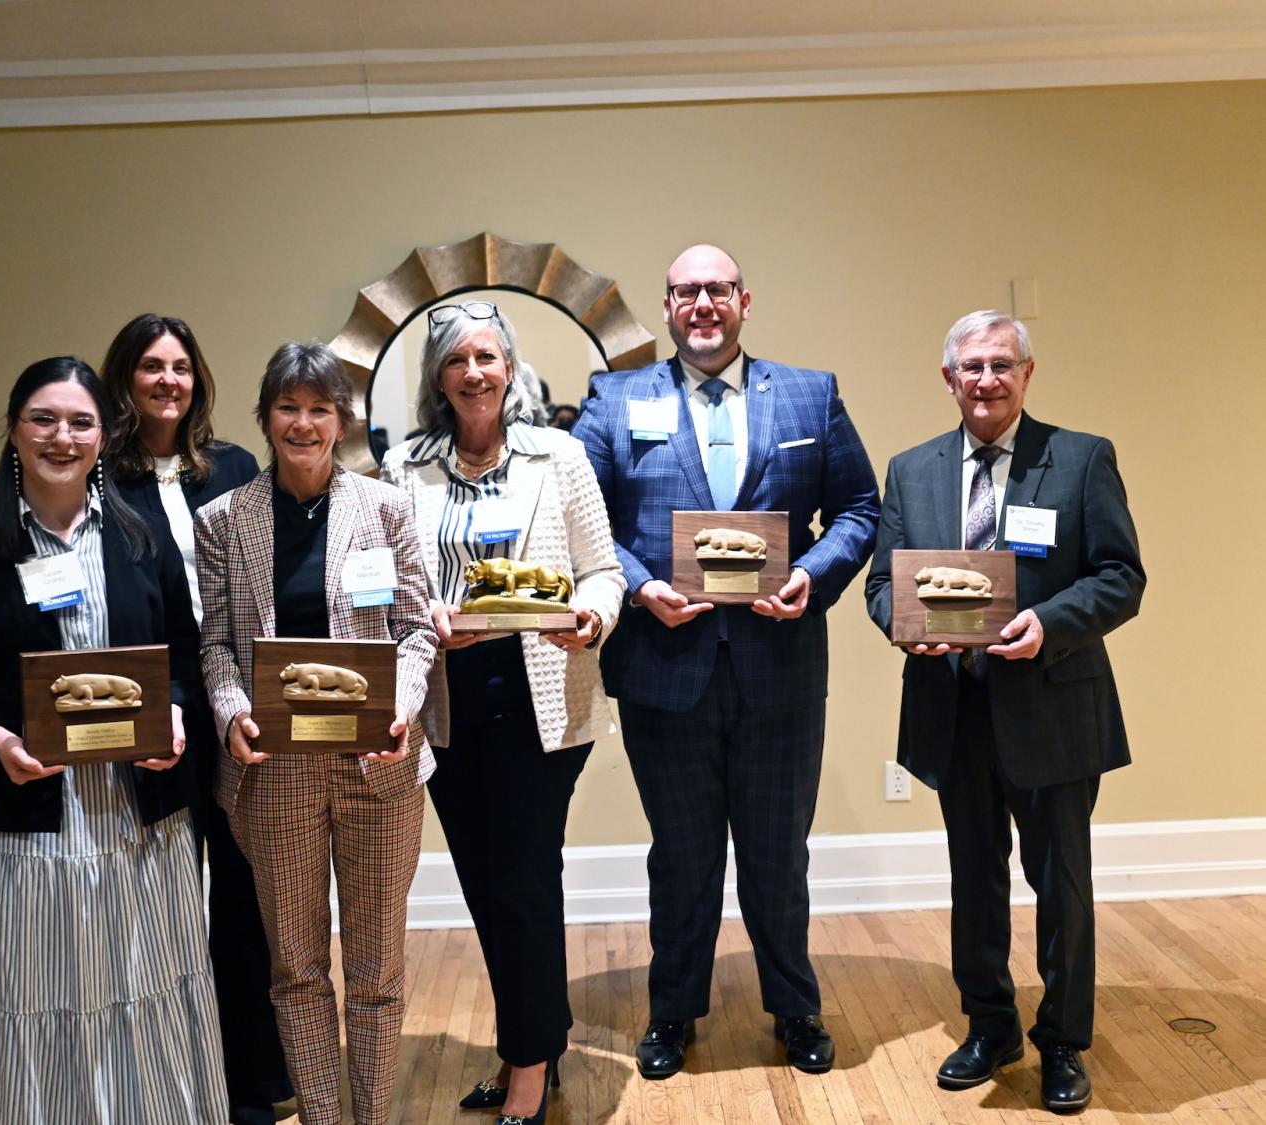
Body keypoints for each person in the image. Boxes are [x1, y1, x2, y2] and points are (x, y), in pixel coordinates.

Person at [571, 244, 880, 1079]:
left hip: (780, 669)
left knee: (780, 854)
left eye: (715, 289)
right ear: (666, 307)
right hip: (664, 670)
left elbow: (858, 507)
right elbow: (583, 520)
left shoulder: (811, 393)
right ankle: (673, 1010)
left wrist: (813, 576)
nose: (700, 303)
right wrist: (638, 590)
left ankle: (795, 1007)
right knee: (681, 855)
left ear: (745, 300)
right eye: (683, 292)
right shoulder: (614, 398)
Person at [0, 357, 228, 1123]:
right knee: (43, 994)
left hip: (139, 814)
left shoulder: (143, 539)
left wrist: (179, 713)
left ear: (103, 433)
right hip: (29, 816)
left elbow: (184, 657)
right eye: (43, 419)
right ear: (14, 432)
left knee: (149, 985)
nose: (62, 436)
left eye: (80, 421)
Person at [865, 311, 1144, 1113]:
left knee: (1062, 887)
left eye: (1001, 365)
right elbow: (884, 585)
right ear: (948, 379)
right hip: (954, 710)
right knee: (973, 882)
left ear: (1028, 373)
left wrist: (1047, 625)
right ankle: (990, 1025)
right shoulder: (911, 470)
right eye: (971, 367)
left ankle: (1062, 1041)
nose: (986, 380)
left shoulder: (1082, 458)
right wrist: (906, 629)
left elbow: (1121, 574)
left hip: (1053, 707)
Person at [380, 301, 625, 1125]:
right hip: (447, 701)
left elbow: (602, 572)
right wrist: (422, 614)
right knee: (489, 885)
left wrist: (589, 619)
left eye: (487, 356)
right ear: (438, 378)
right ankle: (534, 1042)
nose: (474, 372)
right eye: (457, 360)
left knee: (521, 878)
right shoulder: (404, 467)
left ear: (510, 368)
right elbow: (384, 581)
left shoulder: (558, 456)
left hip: (538, 695)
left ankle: (528, 1072)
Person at [195, 341, 437, 1125]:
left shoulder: (389, 507)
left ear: (342, 421)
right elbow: (216, 644)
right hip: (275, 775)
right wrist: (232, 711)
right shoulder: (225, 522)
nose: (303, 423)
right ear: (265, 417)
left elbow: (415, 630)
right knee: (296, 969)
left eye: (319, 409)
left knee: (376, 970)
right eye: (288, 407)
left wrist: (399, 706)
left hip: (377, 767)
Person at [98, 313, 292, 1122]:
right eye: (151, 366)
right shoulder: (103, 479)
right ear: (125, 380)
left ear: (198, 378)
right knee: (167, 904)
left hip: (241, 709)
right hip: (163, 713)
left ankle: (252, 1079)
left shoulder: (237, 468)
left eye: (181, 366)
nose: (168, 380)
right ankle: (176, 1076)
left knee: (247, 903)